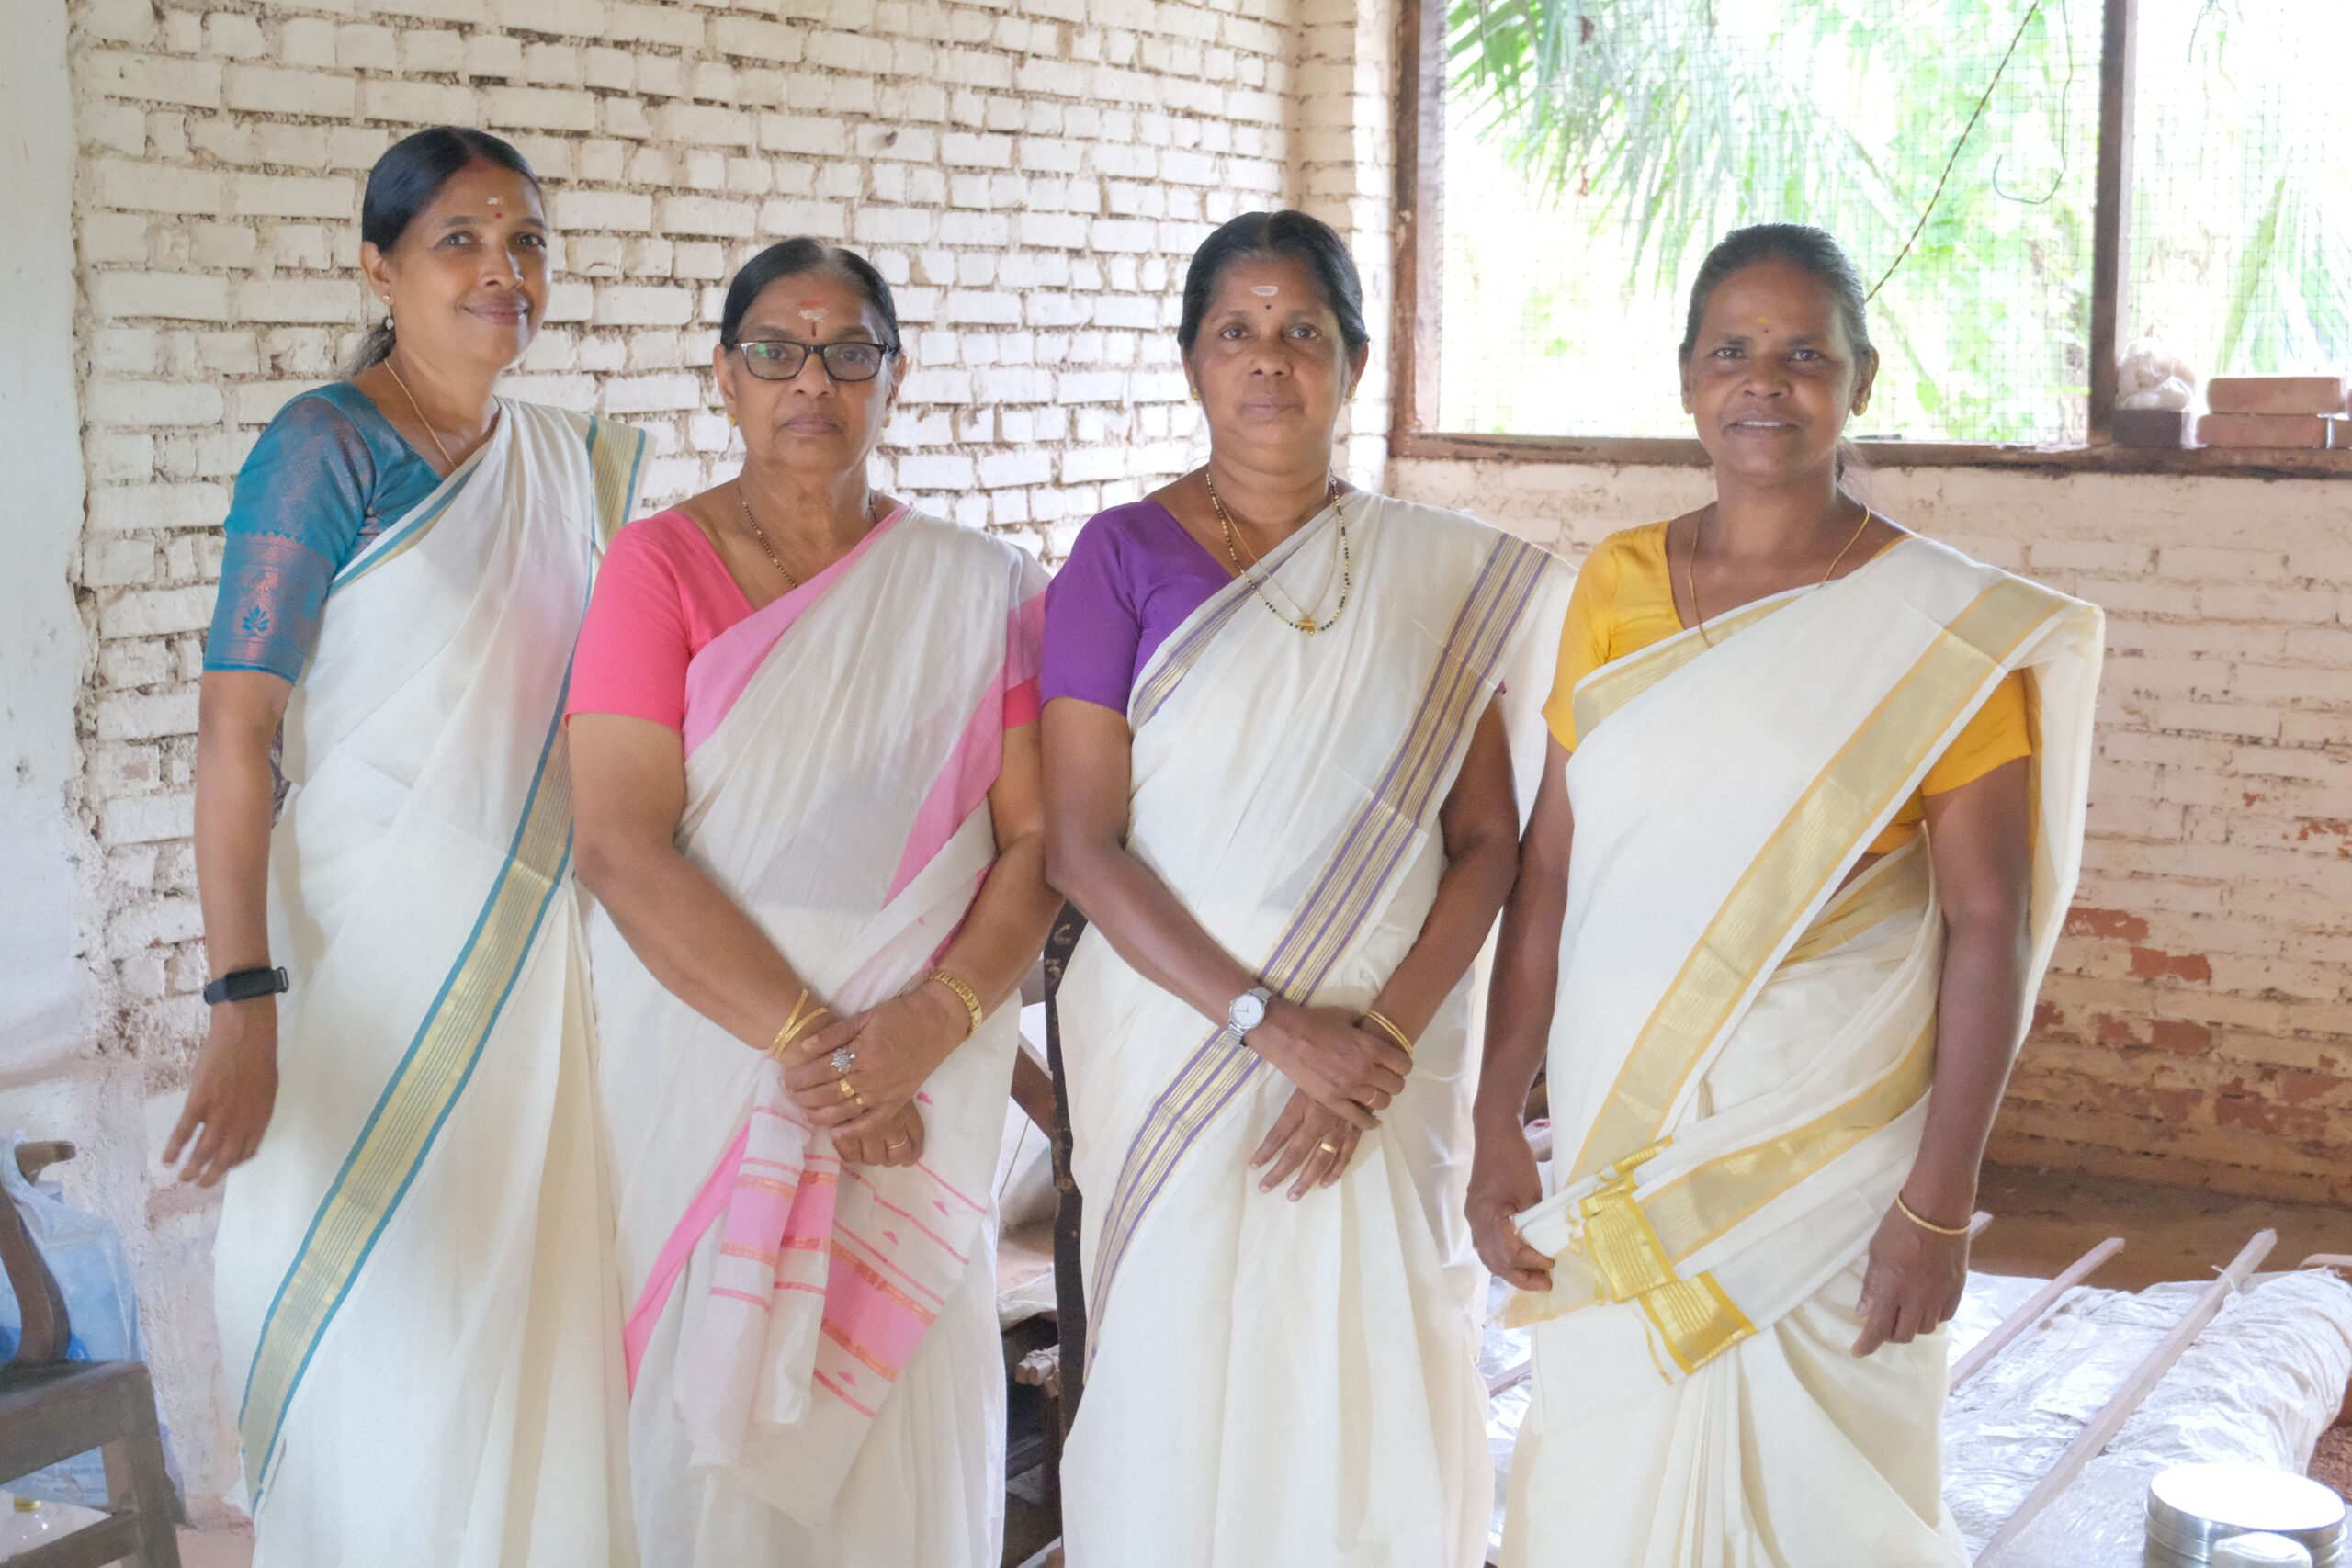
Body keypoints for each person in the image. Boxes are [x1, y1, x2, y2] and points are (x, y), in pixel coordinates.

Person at [1471, 223, 2104, 1567]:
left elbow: (1987, 921)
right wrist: (1491, 1115)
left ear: (1862, 381)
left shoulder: (1937, 629)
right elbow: (1552, 871)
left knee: (1826, 1471)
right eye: (1733, 351)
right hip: (1622, 1104)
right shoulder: (1616, 585)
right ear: (1687, 381)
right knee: (1606, 1443)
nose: (1766, 381)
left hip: (1833, 1129)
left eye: (1805, 354)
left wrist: (1940, 1201)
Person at [1041, 209, 1571, 1566]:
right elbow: (1081, 845)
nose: (1269, 360)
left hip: (1390, 1061)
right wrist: (1275, 1031)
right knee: (1179, 1369)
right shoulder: (1119, 557)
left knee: (1368, 1371)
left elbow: (1487, 843)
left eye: (1302, 332)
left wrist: (1376, 1045)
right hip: (1180, 1046)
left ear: (1354, 361)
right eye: (1237, 331)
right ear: (1192, 361)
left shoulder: (1434, 574)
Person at [172, 127, 647, 1565]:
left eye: (526, 242)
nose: (505, 271)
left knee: (525, 1328)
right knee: (382, 1333)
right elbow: (234, 737)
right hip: (352, 983)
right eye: (461, 241)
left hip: (532, 986)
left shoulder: (567, 465)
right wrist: (242, 999)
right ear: (380, 269)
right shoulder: (323, 449)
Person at [568, 237, 1058, 1568]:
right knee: (698, 1425)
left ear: (895, 377)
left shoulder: (981, 589)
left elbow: (1033, 844)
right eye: (775, 352)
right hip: (708, 1062)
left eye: (848, 353)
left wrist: (929, 1025)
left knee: (894, 1436)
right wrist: (823, 1057)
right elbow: (618, 842)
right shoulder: (656, 567)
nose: (811, 382)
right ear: (724, 378)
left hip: (921, 1069)